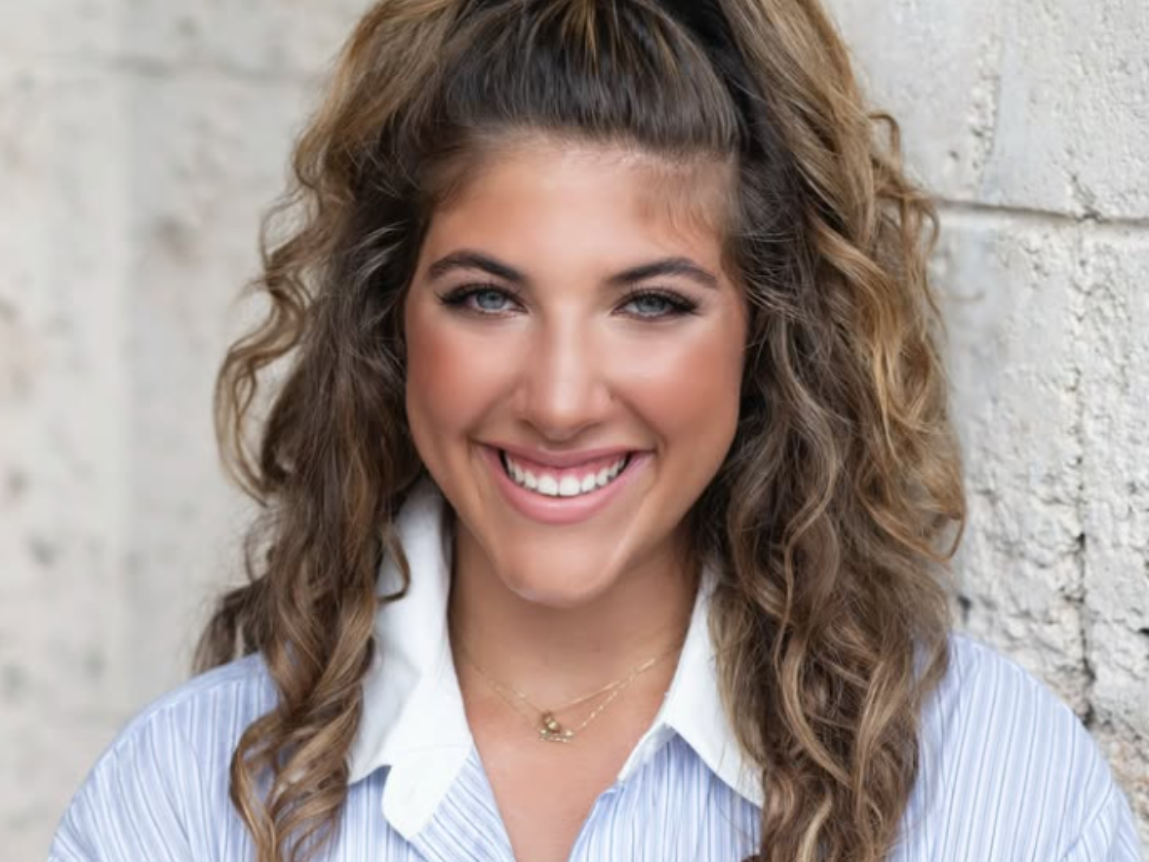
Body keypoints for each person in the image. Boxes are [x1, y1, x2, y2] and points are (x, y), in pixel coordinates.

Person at [49, 1, 1144, 861]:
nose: (562, 399)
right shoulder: (189, 795)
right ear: (390, 319)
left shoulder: (993, 786)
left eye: (652, 303)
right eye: (488, 297)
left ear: (768, 333)